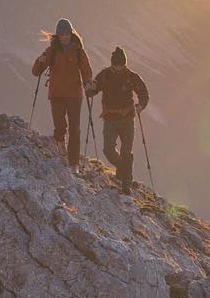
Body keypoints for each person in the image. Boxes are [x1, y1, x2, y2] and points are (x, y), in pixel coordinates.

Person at [87, 46, 149, 193]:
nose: (118, 69)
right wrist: (90, 89)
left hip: (127, 118)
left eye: (121, 66)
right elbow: (93, 90)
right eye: (116, 66)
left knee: (126, 151)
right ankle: (124, 169)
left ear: (124, 64)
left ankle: (126, 184)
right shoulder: (105, 75)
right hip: (110, 118)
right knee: (108, 149)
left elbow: (144, 93)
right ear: (112, 64)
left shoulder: (131, 76)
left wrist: (141, 105)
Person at [31, 18, 92, 166]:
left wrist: (88, 84)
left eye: (67, 33)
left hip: (74, 95)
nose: (65, 36)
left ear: (71, 33)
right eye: (62, 34)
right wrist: (40, 61)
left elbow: (86, 70)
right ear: (58, 35)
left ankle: (74, 163)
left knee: (74, 129)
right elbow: (36, 72)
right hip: (57, 94)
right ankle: (61, 146)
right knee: (60, 126)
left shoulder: (78, 50)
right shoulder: (52, 51)